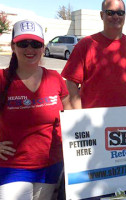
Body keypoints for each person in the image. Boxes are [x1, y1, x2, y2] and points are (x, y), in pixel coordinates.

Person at [0, 20, 71, 200]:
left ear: (43, 47)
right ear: (13, 46)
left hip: (51, 166)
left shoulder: (55, 79)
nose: (29, 49)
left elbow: (70, 117)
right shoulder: (1, 79)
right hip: (13, 168)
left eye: (36, 44)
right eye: (23, 43)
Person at [61, 0, 126, 109]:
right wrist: (79, 114)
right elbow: (71, 83)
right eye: (110, 13)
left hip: (124, 119)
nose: (116, 16)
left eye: (120, 13)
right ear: (102, 15)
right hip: (91, 119)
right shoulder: (85, 45)